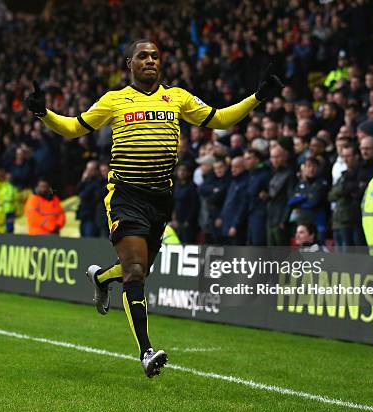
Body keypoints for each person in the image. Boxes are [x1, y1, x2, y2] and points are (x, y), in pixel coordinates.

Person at [24, 39, 283, 377]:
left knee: (139, 270)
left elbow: (219, 120)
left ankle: (101, 277)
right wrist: (44, 114)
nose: (150, 60)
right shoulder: (113, 100)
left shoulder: (177, 97)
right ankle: (146, 351)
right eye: (142, 56)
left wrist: (257, 97)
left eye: (155, 56)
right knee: (134, 271)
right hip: (125, 194)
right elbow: (74, 128)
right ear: (129, 64)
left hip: (161, 197)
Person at [328, 144, 364, 251]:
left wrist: (344, 190)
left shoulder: (360, 173)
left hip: (351, 221)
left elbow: (357, 192)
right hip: (338, 220)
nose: (346, 159)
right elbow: (330, 196)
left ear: (356, 156)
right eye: (344, 156)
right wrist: (343, 190)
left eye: (348, 156)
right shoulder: (343, 175)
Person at [216, 156, 249, 245]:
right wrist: (221, 217)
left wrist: (235, 225)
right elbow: (228, 202)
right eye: (232, 167)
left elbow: (243, 207)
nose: (233, 169)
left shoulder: (245, 183)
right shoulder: (234, 182)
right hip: (226, 223)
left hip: (237, 227)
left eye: (236, 167)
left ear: (244, 167)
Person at [266, 145, 295, 246]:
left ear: (284, 157)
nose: (275, 160)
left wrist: (284, 220)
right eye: (272, 157)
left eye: (277, 157)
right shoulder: (273, 172)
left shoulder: (290, 174)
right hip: (271, 218)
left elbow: (290, 199)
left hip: (280, 220)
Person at [244, 149, 271, 246]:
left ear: (257, 160)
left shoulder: (264, 174)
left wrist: (266, 195)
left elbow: (269, 194)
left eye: (249, 159)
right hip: (251, 214)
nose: (246, 161)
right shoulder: (251, 174)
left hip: (260, 215)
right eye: (245, 159)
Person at [76, 160, 103, 237]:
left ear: (96, 171)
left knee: (89, 237)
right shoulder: (87, 181)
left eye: (91, 169)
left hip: (92, 216)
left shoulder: (98, 182)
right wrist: (83, 180)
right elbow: (77, 192)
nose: (88, 172)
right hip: (84, 215)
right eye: (87, 169)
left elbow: (84, 196)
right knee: (83, 238)